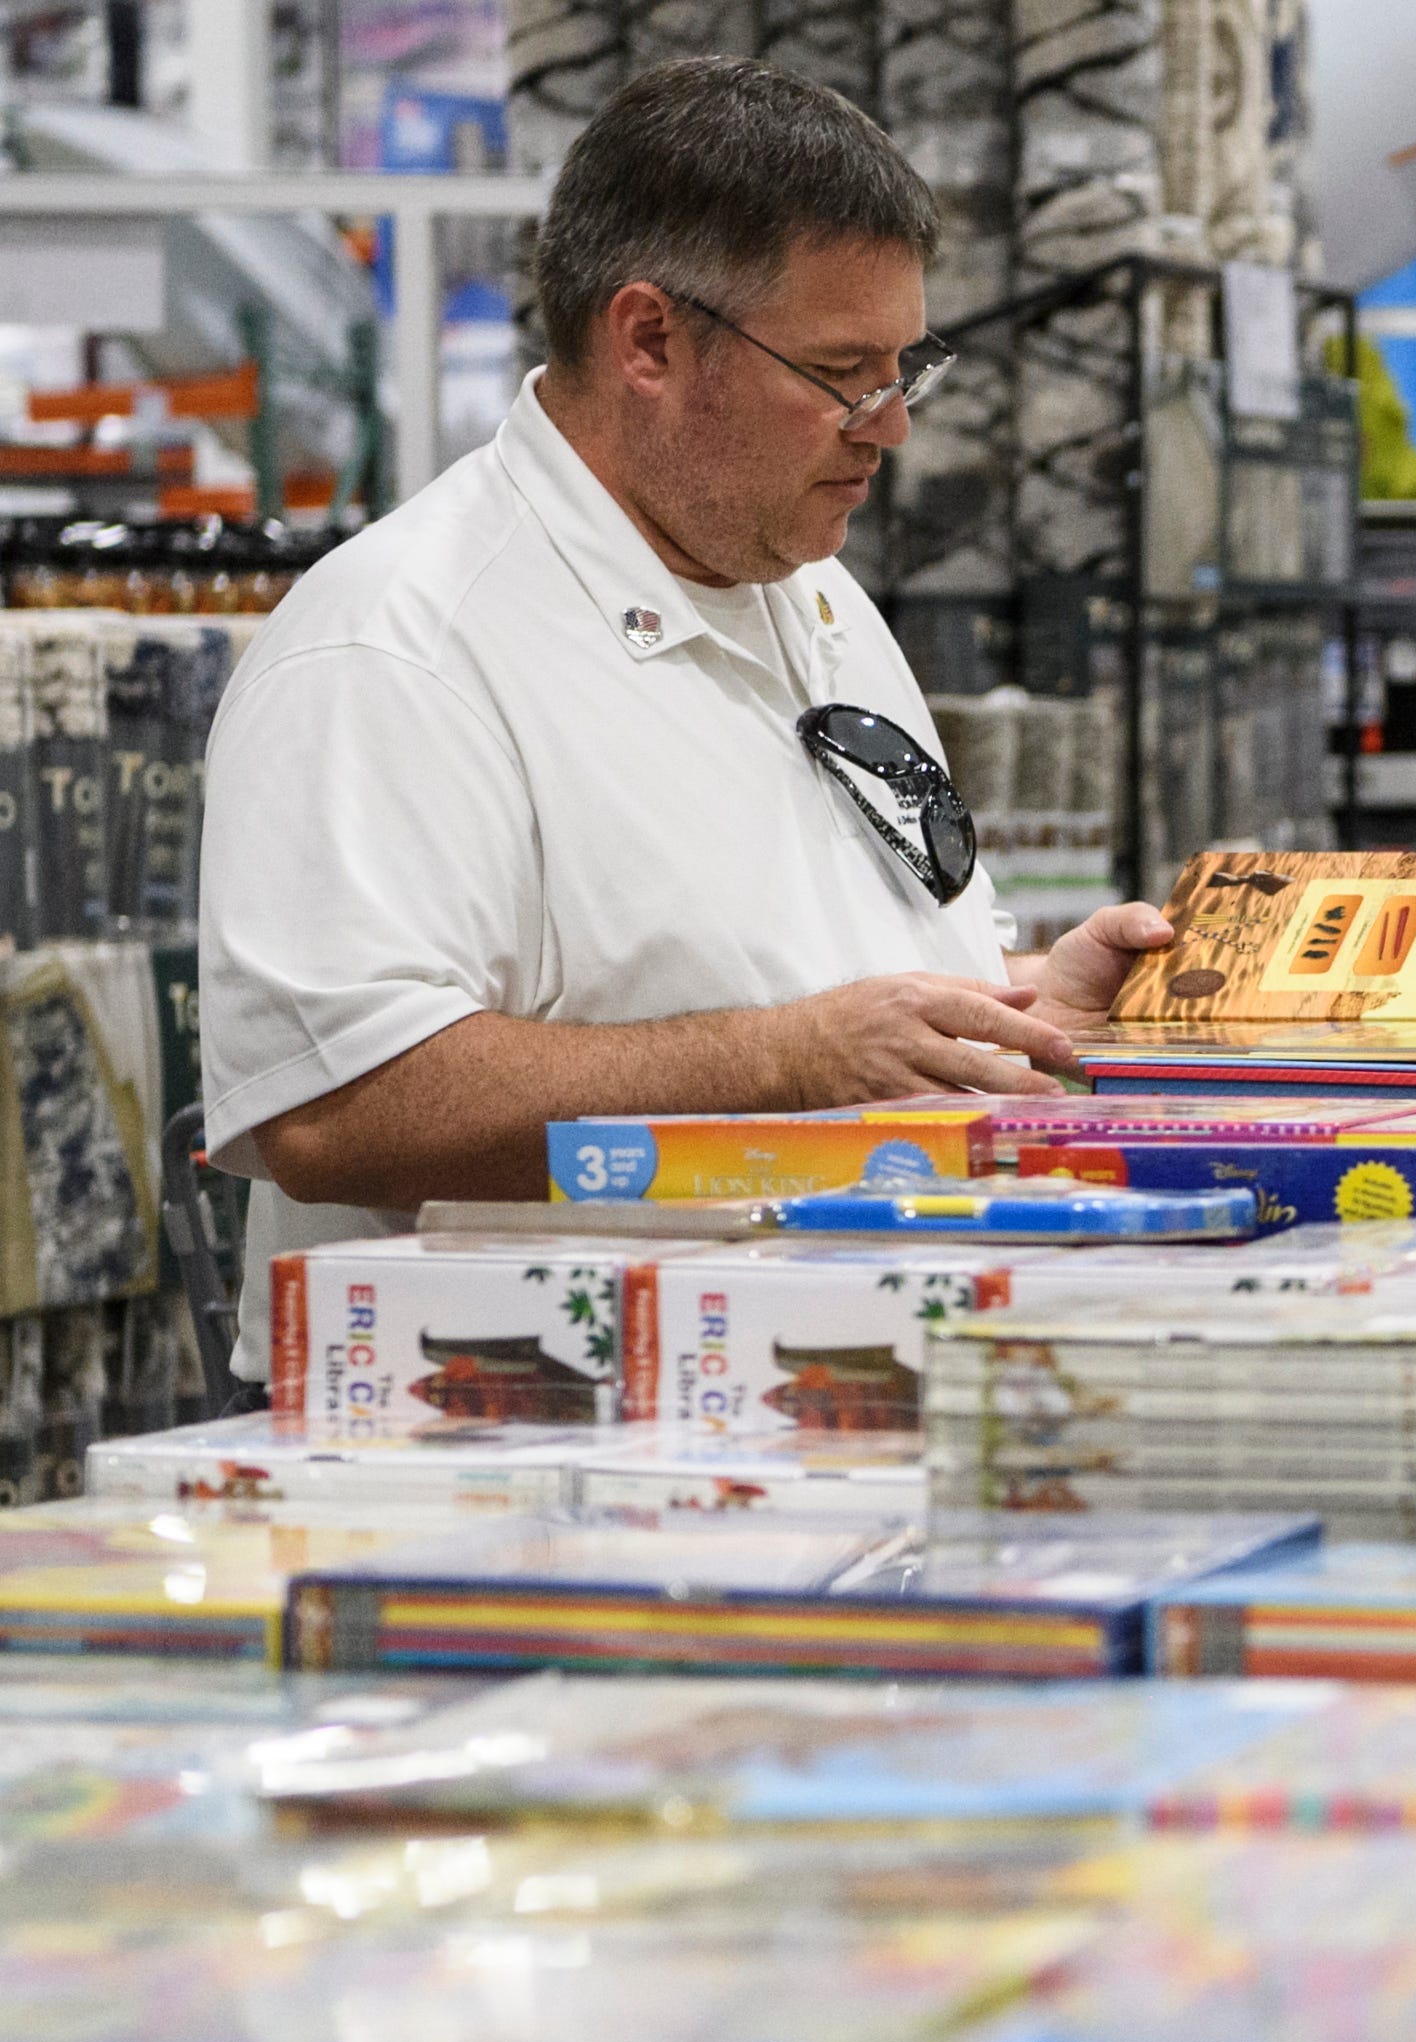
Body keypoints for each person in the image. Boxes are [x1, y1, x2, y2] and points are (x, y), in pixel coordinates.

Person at [200, 58, 1172, 1373]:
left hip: (807, 1380)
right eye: (840, 373)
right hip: (509, 1428)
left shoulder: (811, 593)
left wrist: (1024, 1011)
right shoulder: (395, 646)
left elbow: (836, 983)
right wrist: (790, 1061)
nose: (890, 427)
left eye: (906, 368)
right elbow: (333, 1110)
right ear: (648, 340)